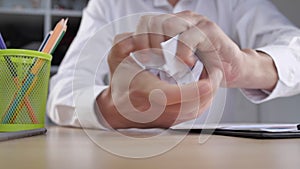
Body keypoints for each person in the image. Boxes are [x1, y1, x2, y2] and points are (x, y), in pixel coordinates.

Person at [47, 0, 300, 129]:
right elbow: (64, 88)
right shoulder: (110, 4)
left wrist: (243, 66)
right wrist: (113, 107)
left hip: (216, 157)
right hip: (127, 156)